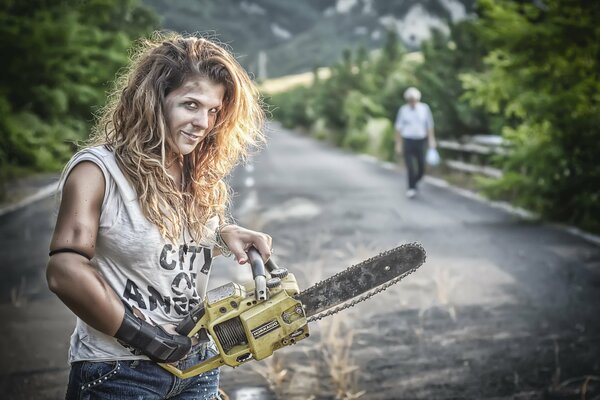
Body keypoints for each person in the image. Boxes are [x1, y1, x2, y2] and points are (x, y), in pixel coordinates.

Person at [46, 33, 272, 400]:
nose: (203, 122)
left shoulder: (197, 174)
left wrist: (224, 233)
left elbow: (171, 241)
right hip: (118, 373)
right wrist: (148, 338)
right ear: (154, 101)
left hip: (198, 369)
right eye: (191, 105)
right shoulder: (98, 171)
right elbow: (64, 270)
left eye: (213, 111)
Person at [394, 87, 437, 198]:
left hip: (420, 141)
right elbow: (398, 127)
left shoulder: (424, 109)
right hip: (408, 140)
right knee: (410, 166)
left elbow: (429, 126)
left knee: (421, 166)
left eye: (414, 99)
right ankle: (411, 187)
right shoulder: (403, 110)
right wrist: (398, 143)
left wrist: (431, 140)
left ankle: (415, 181)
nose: (412, 102)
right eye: (410, 100)